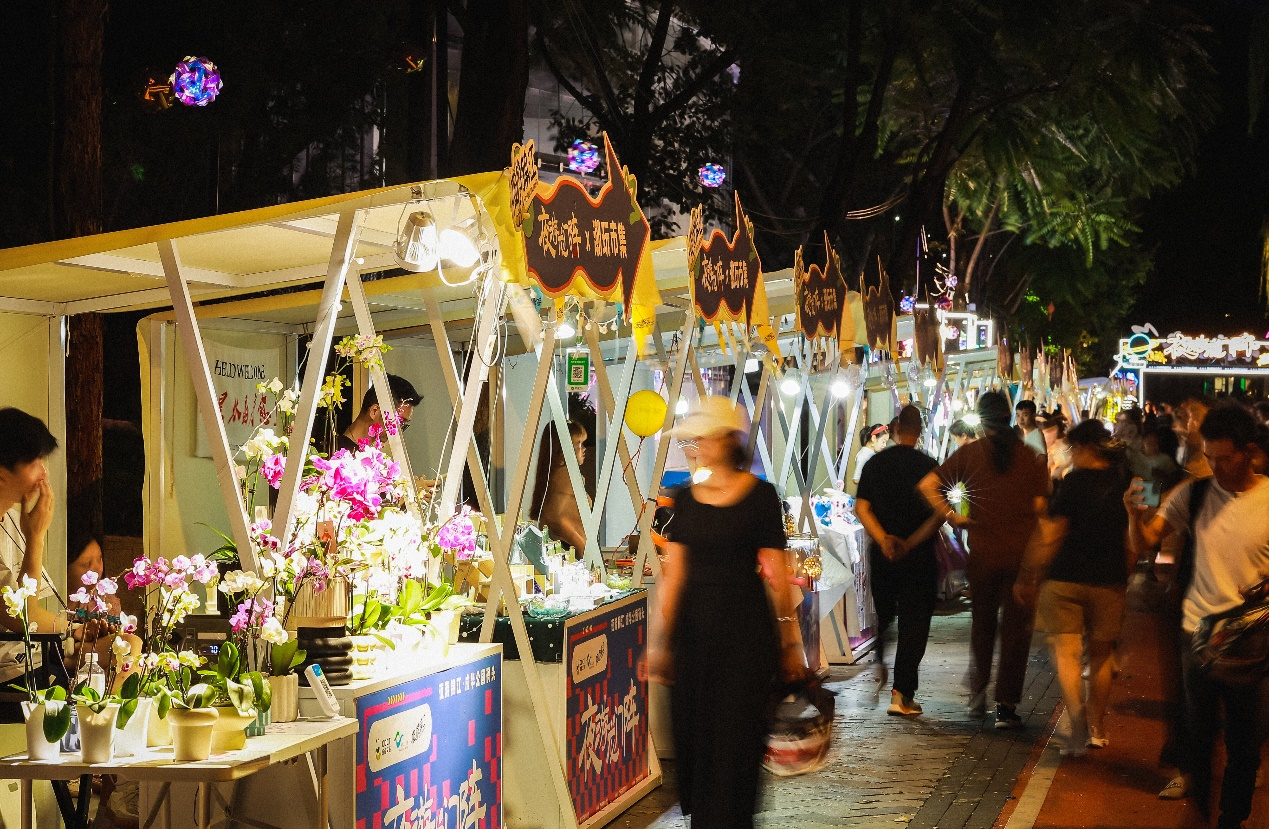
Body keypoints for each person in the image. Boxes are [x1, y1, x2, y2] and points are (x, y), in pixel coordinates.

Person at [648, 396, 804, 829]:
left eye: (702, 437)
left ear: (726, 440)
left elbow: (778, 572)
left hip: (746, 638)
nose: (696, 445)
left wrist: (791, 641)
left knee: (737, 741)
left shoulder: (761, 497)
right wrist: (661, 642)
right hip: (694, 639)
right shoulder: (685, 499)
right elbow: (674, 576)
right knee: (697, 741)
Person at [1126, 404, 1269, 828]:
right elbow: (1147, 542)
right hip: (1198, 636)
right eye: (1210, 457)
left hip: (1253, 642)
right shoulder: (1196, 492)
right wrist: (1135, 515)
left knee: (1246, 741)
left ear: (1250, 452)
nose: (1216, 466)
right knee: (1199, 738)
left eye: (1225, 458)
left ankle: (1232, 818)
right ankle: (1202, 813)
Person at [919, 392, 1049, 728]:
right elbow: (1042, 513)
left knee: (983, 624)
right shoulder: (1032, 457)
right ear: (1009, 417)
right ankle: (1006, 706)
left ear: (982, 419)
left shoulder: (969, 454)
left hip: (984, 555)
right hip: (1021, 558)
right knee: (1016, 631)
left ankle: (977, 694)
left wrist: (952, 516)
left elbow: (928, 485)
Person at [1015, 421, 1130, 755]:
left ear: (1085, 448)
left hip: (1064, 577)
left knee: (1065, 653)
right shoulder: (1130, 480)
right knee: (1101, 654)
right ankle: (1097, 727)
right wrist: (1127, 571)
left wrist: (1028, 573)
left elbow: (1052, 533)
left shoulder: (1072, 483)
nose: (1070, 455)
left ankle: (1077, 726)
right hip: (1109, 579)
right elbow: (1137, 535)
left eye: (1072, 449)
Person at [855, 405, 946, 716]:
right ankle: (901, 693)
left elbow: (861, 509)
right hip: (918, 557)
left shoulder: (875, 464)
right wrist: (909, 543)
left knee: (885, 617)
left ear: (894, 429)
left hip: (883, 555)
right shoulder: (930, 465)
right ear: (918, 431)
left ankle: (879, 662)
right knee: (914, 624)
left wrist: (884, 540)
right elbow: (939, 514)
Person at [0, 409, 66, 701]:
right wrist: (36, 537)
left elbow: (35, 607)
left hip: (37, 653)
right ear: (2, 474)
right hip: (11, 666)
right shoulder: (27, 524)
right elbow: (24, 616)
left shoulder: (14, 518)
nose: (44, 473)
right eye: (35, 462)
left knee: (129, 644)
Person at [529, 420, 589, 556]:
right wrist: (582, 546)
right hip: (569, 551)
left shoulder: (554, 473)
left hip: (563, 548)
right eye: (578, 443)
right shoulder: (564, 474)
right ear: (562, 447)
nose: (583, 449)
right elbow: (555, 517)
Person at [335, 373, 420, 453]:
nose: (397, 431)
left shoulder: (364, 455)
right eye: (399, 421)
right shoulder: (337, 456)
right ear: (374, 411)